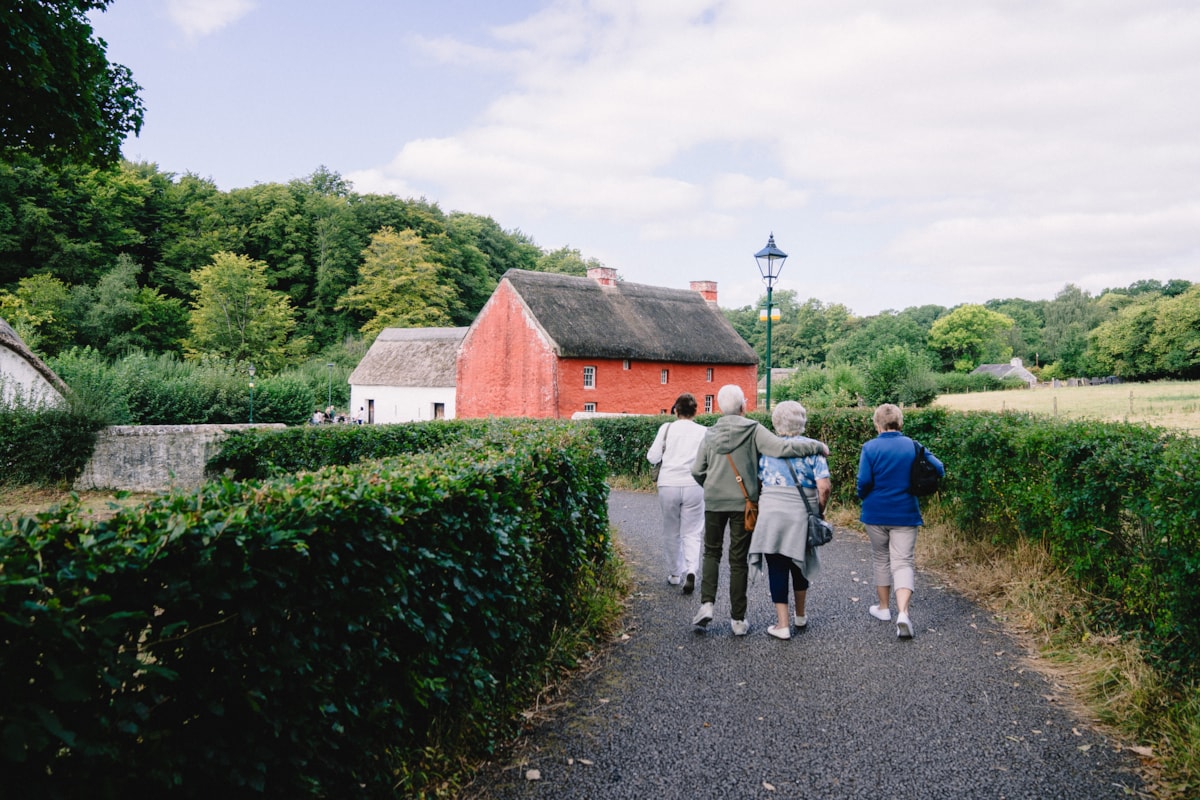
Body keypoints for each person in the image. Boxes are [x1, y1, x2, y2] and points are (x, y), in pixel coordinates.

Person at [690, 384, 829, 636]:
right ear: (743, 406)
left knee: (711, 553)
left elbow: (697, 470)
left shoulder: (709, 433)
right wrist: (816, 446)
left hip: (713, 503)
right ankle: (738, 620)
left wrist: (709, 486)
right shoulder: (753, 429)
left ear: (721, 407)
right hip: (745, 505)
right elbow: (781, 448)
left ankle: (707, 604)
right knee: (738, 559)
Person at [856, 403, 945, 639]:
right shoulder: (913, 446)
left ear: (877, 424)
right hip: (906, 512)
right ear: (900, 422)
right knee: (903, 562)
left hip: (875, 512)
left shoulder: (869, 448)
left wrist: (864, 497)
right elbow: (939, 468)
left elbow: (864, 481)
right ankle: (903, 613)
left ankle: (884, 609)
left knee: (881, 559)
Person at [749, 401, 831, 640]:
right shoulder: (814, 450)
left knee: (777, 566)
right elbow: (824, 486)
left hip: (771, 514)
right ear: (802, 421)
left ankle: (782, 625)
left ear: (776, 422)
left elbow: (757, 482)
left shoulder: (766, 449)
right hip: (801, 513)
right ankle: (801, 615)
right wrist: (819, 509)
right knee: (800, 561)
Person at [646, 393, 708, 594]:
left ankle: (675, 574)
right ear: (696, 411)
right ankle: (691, 570)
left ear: (675, 410)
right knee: (692, 531)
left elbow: (653, 456)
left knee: (671, 530)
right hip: (694, 485)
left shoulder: (666, 428)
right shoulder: (703, 431)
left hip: (669, 484)